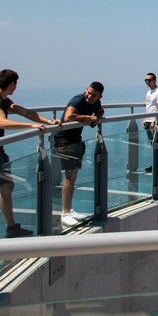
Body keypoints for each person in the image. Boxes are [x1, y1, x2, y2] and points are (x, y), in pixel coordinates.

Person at [0, 69, 60, 237]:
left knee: (7, 186)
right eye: (15, 83)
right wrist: (30, 126)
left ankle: (11, 228)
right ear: (11, 84)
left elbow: (25, 112)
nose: (16, 87)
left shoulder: (3, 100)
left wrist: (49, 121)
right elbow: (2, 123)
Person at [54, 81, 105, 228]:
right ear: (86, 90)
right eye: (88, 93)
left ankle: (69, 209)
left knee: (73, 174)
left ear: (99, 96)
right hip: (64, 140)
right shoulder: (78, 99)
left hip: (75, 139)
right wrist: (90, 118)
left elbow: (100, 110)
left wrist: (99, 115)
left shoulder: (96, 102)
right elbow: (68, 117)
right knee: (70, 175)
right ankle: (66, 213)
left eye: (93, 95)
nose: (89, 96)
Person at [143, 72, 158, 173]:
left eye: (149, 80)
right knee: (153, 144)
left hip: (154, 122)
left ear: (154, 80)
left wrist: (154, 121)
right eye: (146, 80)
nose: (147, 82)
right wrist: (145, 118)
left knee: (157, 144)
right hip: (148, 121)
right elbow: (148, 107)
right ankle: (156, 165)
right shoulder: (149, 92)